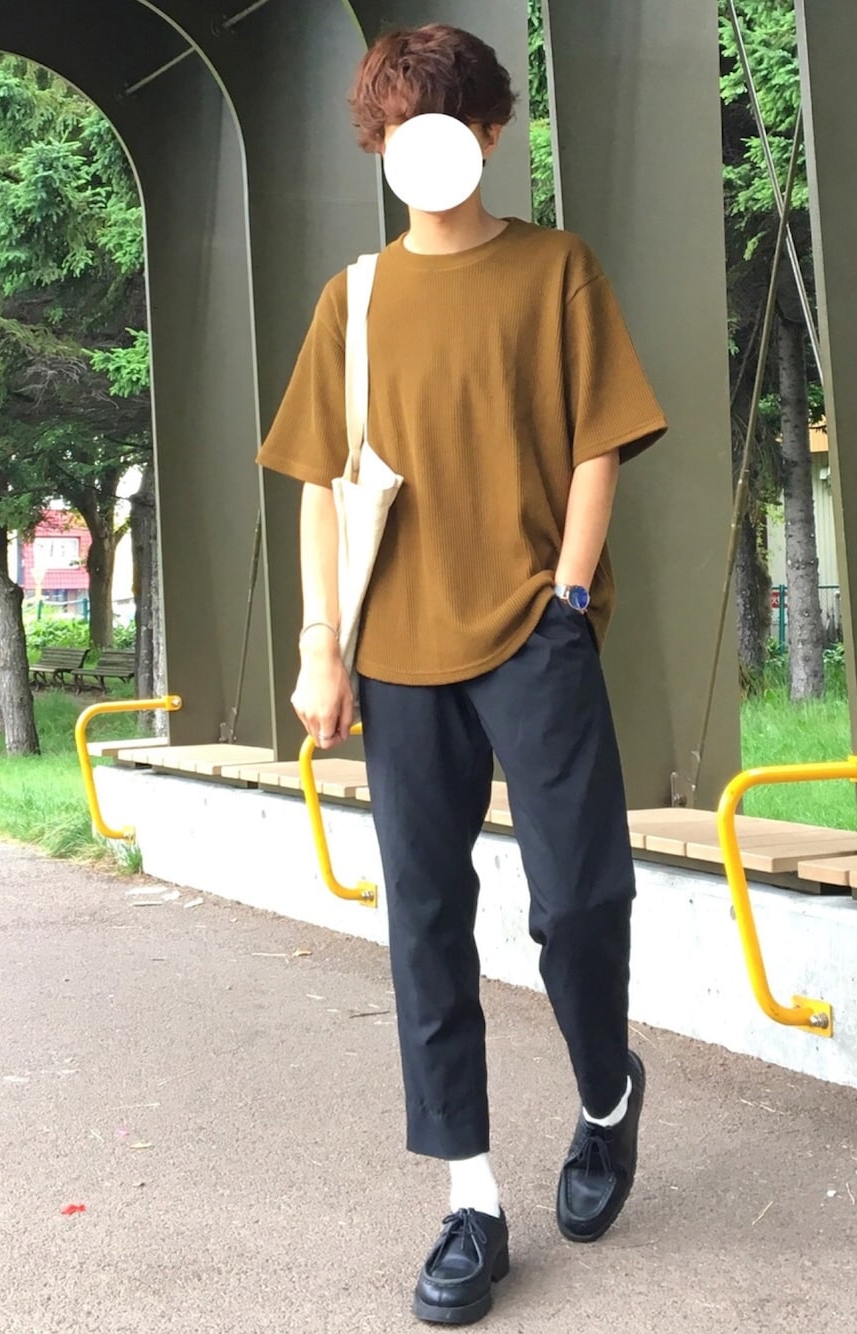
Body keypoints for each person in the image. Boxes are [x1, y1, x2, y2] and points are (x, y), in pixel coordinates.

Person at [256, 23, 667, 1327]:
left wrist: (571, 595)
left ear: (487, 133)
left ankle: (605, 1092)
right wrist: (320, 645)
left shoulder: (557, 269)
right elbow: (322, 482)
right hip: (397, 651)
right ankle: (471, 1202)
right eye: (395, 129)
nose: (421, 145)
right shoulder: (356, 300)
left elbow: (599, 442)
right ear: (379, 146)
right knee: (425, 923)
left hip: (536, 631)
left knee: (579, 900)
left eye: (444, 122)